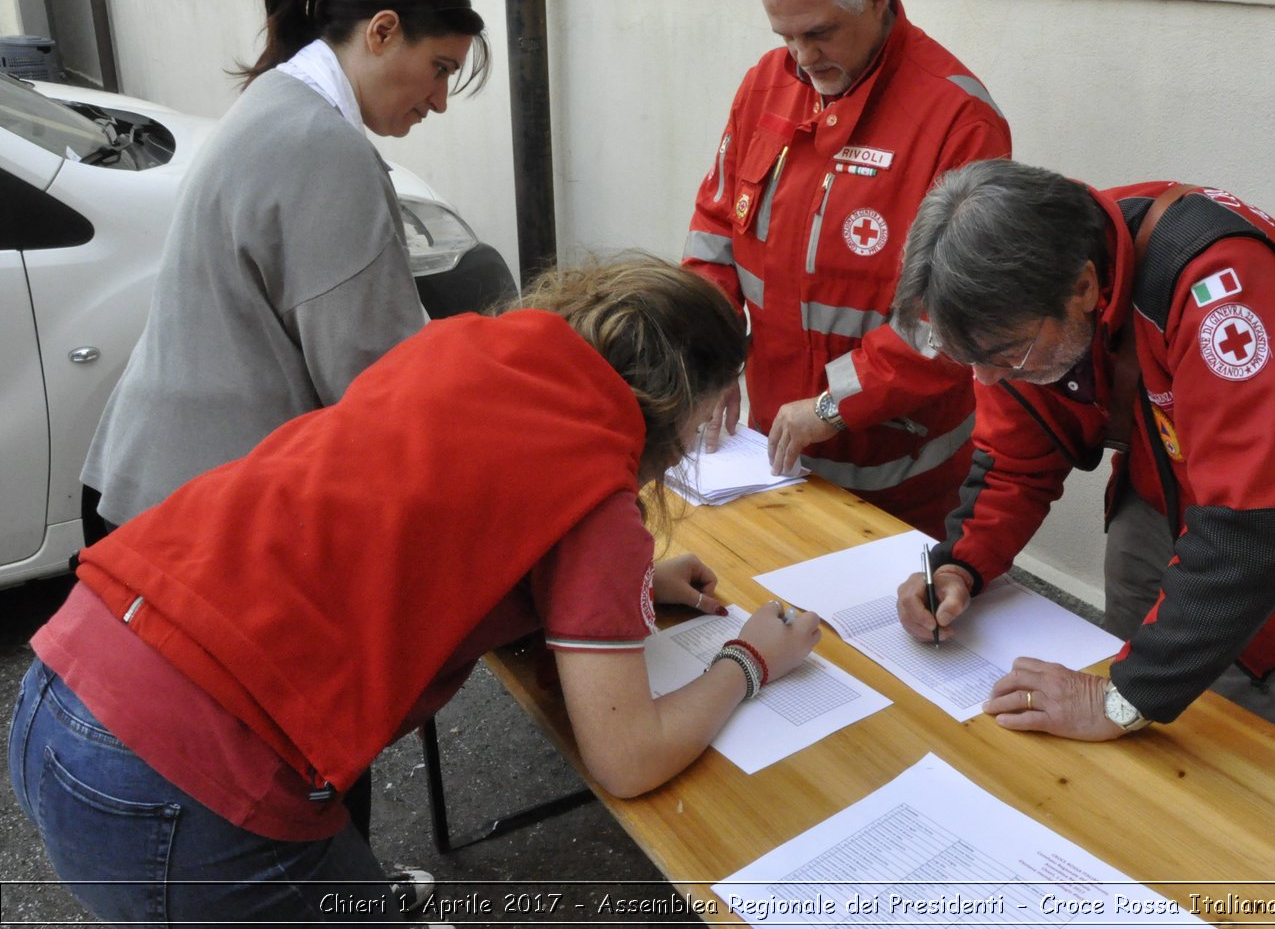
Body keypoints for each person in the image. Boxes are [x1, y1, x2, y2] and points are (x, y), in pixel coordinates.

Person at [9, 258, 823, 926]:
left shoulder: (467, 349)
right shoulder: (596, 491)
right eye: (709, 419)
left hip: (70, 675)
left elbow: (441, 522)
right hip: (187, 774)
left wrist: (632, 584)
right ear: (678, 404)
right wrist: (751, 656)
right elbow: (628, 755)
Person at [892, 159, 1275, 741]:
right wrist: (960, 564)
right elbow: (1014, 460)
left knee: (1238, 745)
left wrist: (1123, 699)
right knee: (1133, 679)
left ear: (1083, 287)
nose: (990, 378)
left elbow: (1250, 539)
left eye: (1006, 356)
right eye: (967, 358)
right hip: (1159, 479)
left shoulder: (1221, 282)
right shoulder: (1025, 293)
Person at [81, 0, 489, 539]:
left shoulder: (276, 99)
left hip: (151, 480)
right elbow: (375, 382)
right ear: (381, 31)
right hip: (201, 517)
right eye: (440, 69)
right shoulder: (325, 149)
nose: (439, 101)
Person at [682, 0, 1011, 539]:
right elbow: (716, 230)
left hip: (900, 468)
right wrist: (707, 353)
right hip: (775, 452)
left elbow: (956, 316)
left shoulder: (957, 118)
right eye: (787, 38)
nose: (803, 60)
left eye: (820, 33)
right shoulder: (765, 85)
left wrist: (837, 405)